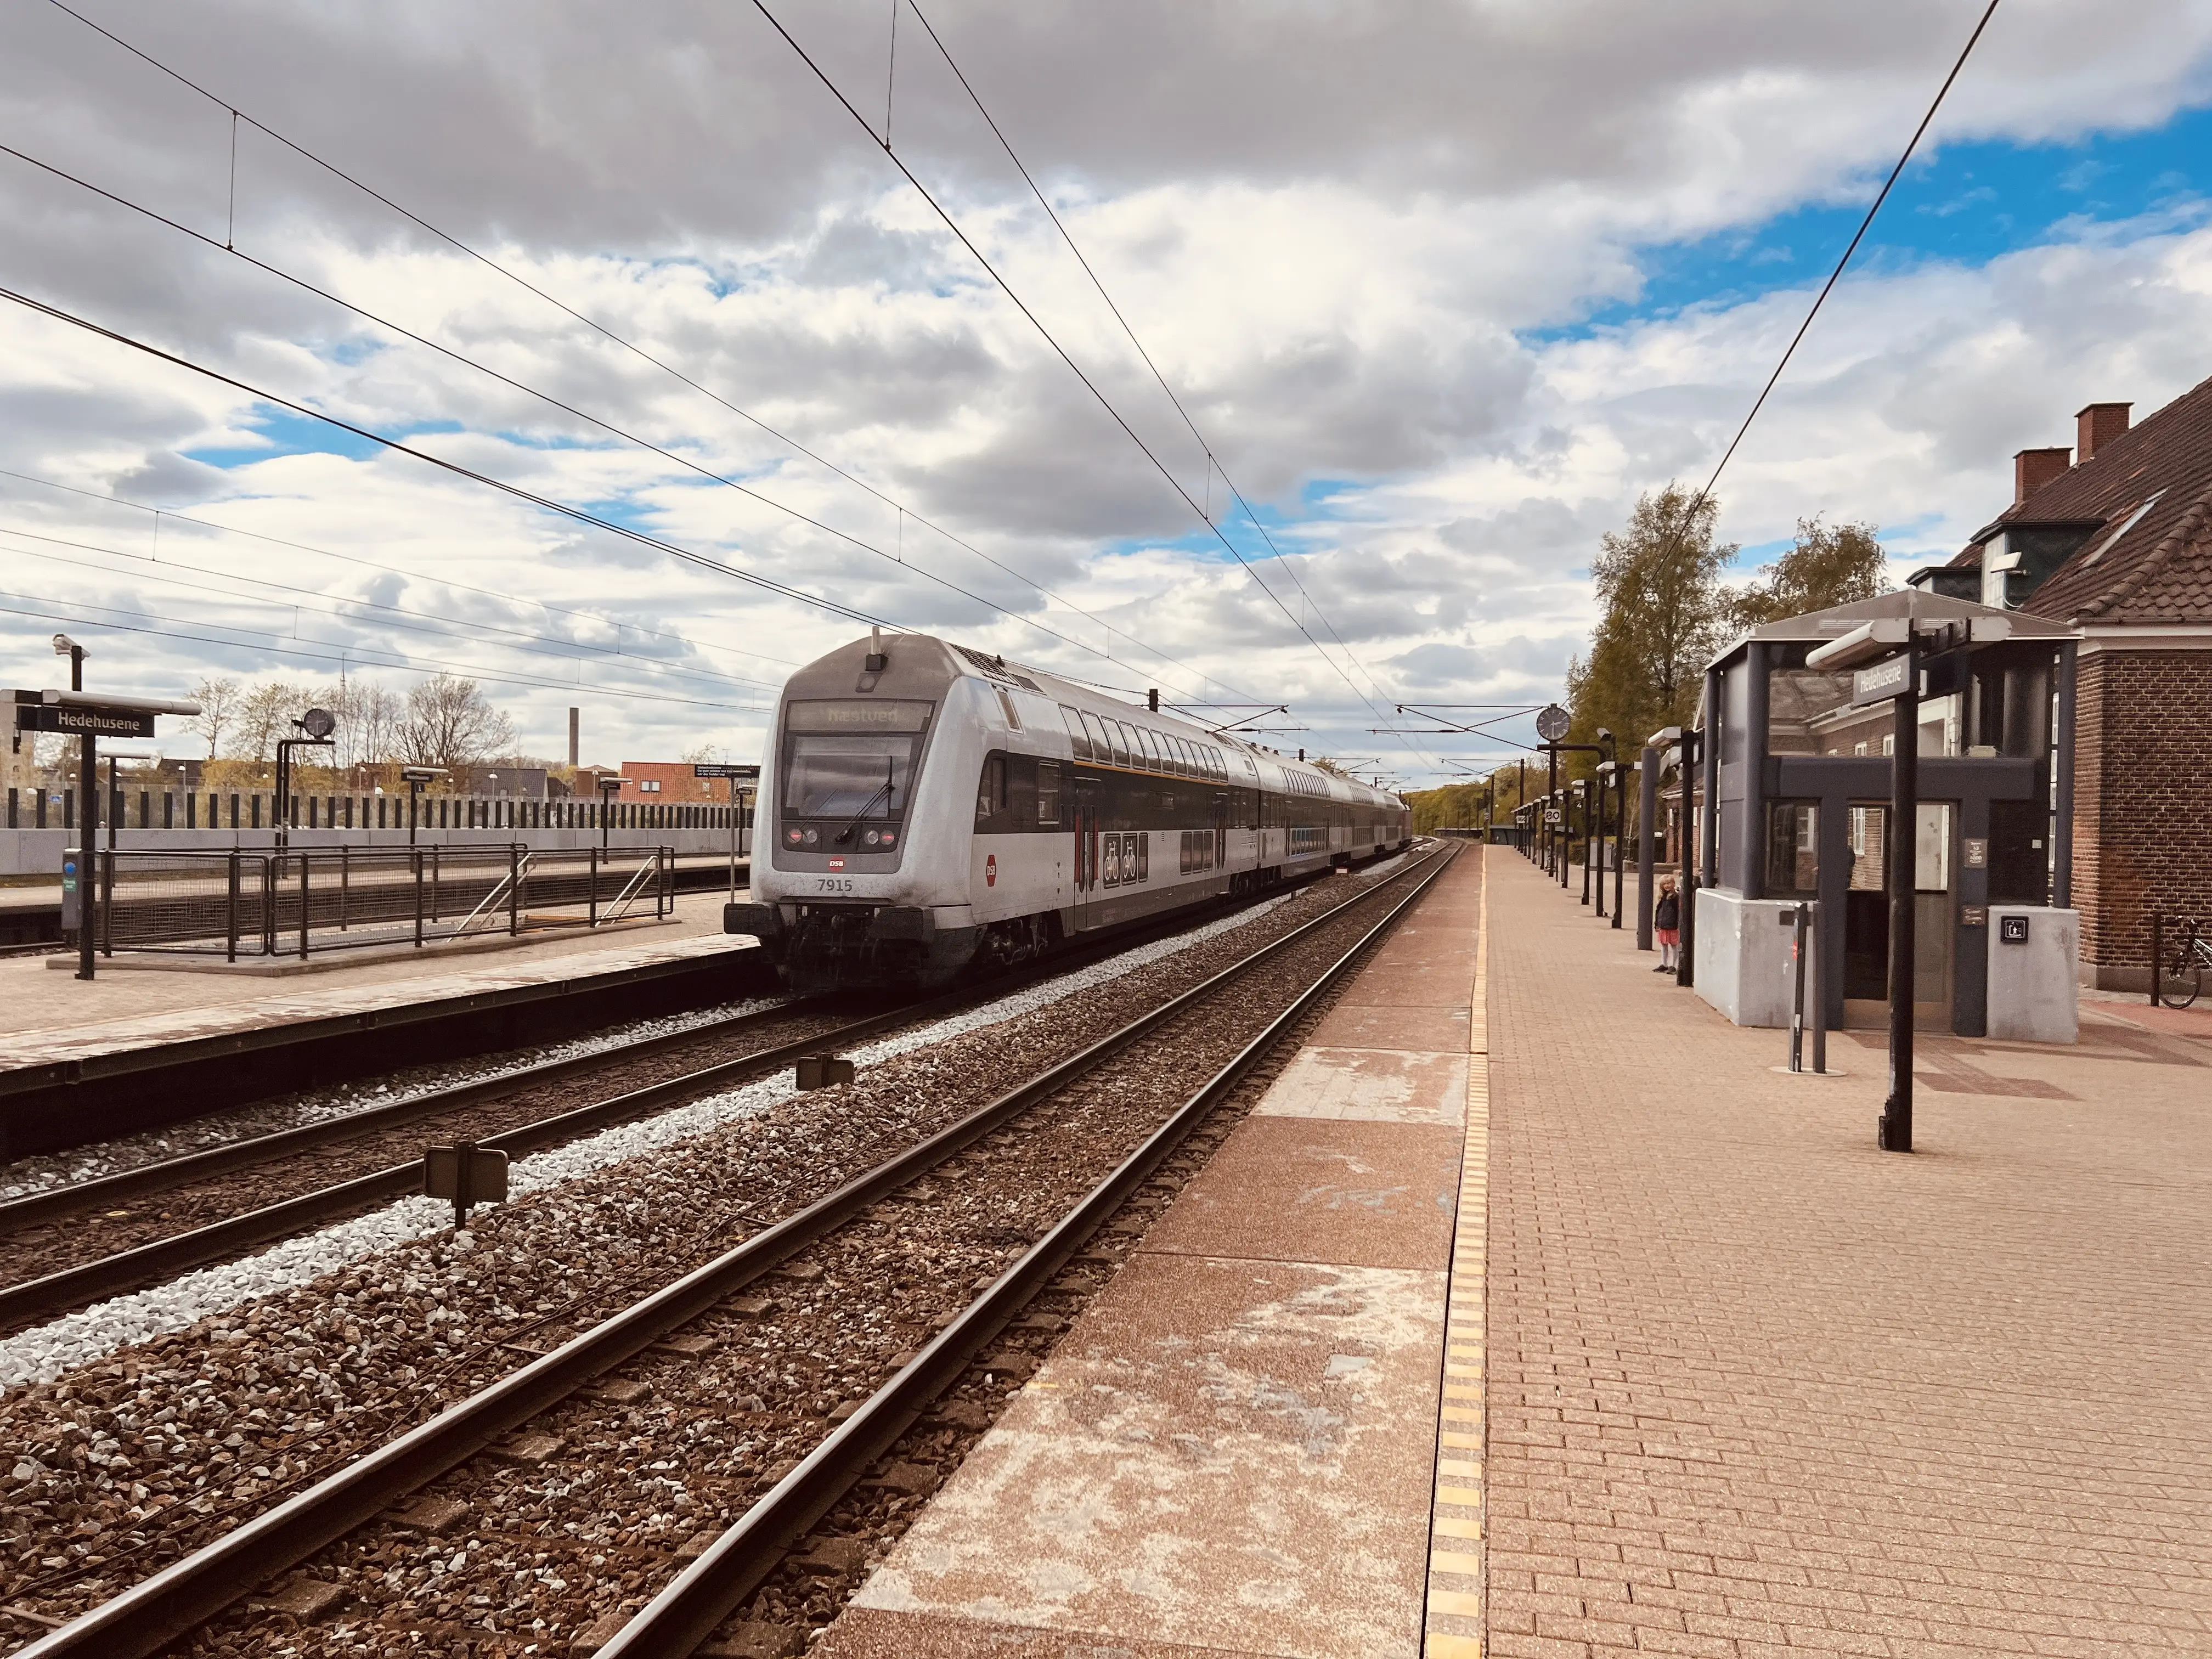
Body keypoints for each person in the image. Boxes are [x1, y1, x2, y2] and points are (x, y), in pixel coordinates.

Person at [1652, 875, 1680, 972]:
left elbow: (1679, 912)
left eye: (1669, 883)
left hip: (1673, 925)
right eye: (1664, 884)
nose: (1667, 886)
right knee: (1664, 945)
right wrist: (1657, 924)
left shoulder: (1676, 897)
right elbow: (1658, 911)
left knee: (1674, 945)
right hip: (1663, 925)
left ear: (1673, 884)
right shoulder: (1663, 897)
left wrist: (1678, 924)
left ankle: (1674, 965)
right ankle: (1664, 964)